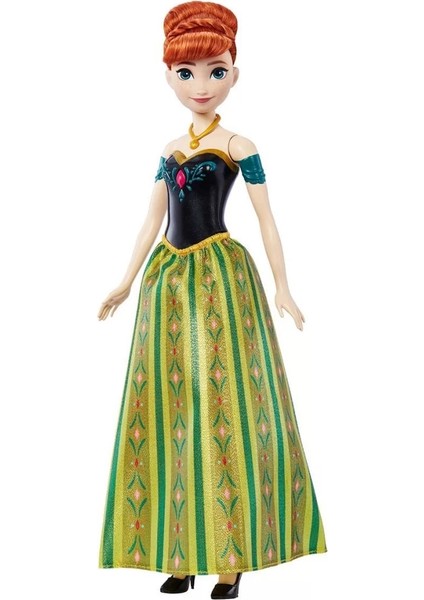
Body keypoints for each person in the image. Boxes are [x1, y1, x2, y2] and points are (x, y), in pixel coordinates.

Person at [97, 2, 327, 598]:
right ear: (169, 77)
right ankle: (181, 551)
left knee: (225, 403)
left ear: (234, 74)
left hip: (219, 280)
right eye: (187, 73)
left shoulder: (239, 144)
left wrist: (282, 285)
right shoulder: (170, 147)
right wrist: (127, 278)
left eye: (216, 71)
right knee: (169, 405)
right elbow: (152, 219)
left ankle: (231, 556)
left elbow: (267, 218)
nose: (201, 84)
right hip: (168, 281)